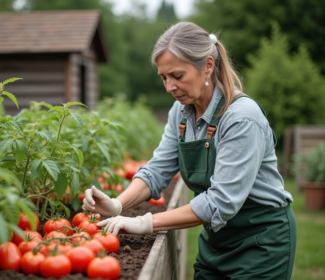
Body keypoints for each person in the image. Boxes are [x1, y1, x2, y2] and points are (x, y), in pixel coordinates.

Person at [82, 22, 296, 279]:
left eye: (177, 76)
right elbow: (157, 170)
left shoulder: (241, 119)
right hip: (216, 244)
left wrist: (144, 223)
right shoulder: (181, 113)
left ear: (208, 66)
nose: (169, 87)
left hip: (261, 243)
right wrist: (118, 205)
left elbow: (221, 201)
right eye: (163, 78)